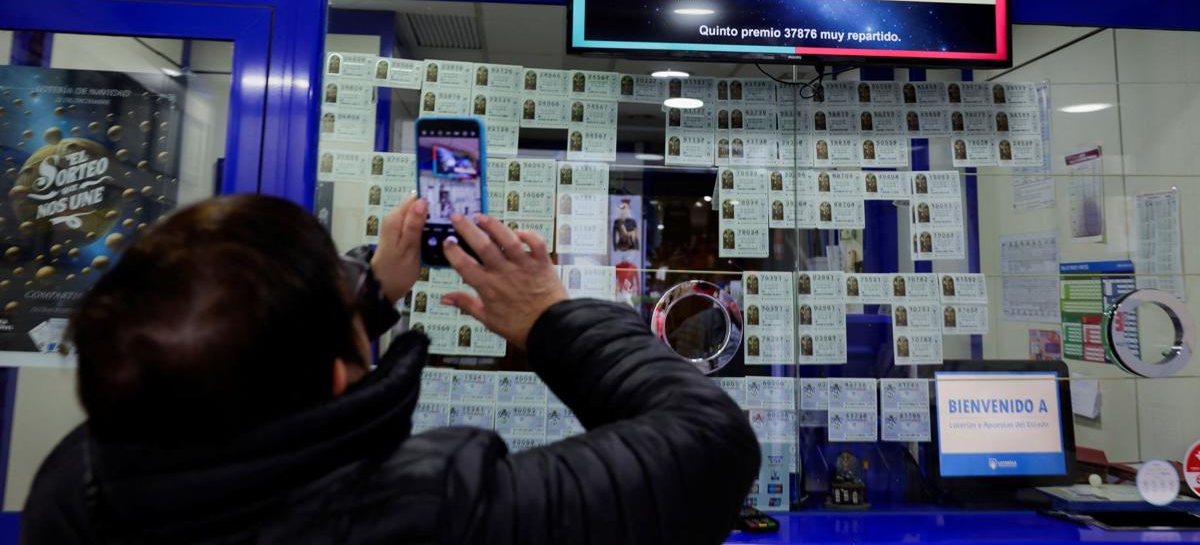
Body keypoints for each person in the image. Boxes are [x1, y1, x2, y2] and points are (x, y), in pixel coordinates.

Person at [24, 195, 759, 544]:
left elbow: (222, 376)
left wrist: (368, 297)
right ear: (339, 374)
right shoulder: (434, 515)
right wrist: (548, 317)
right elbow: (708, 441)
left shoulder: (71, 490)